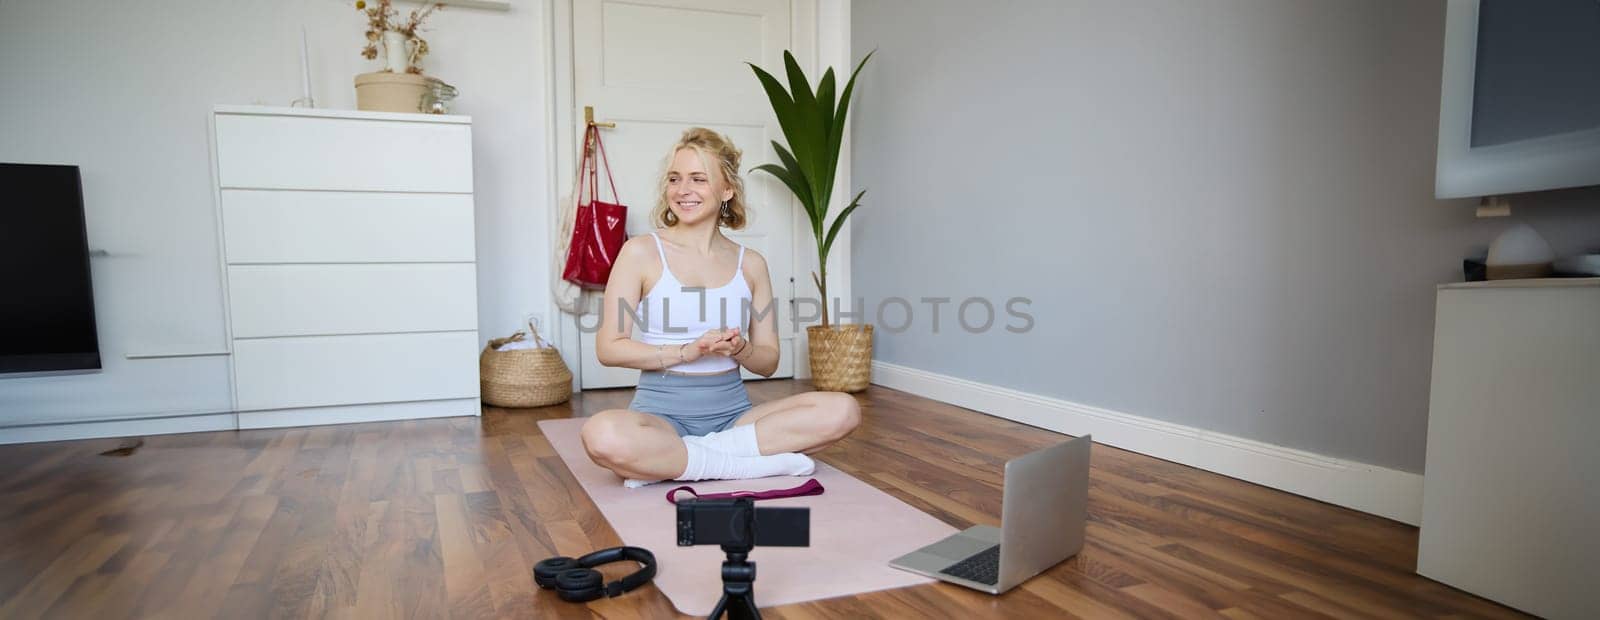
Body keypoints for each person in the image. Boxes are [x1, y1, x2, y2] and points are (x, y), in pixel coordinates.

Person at [580, 127, 861, 486]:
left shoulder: (751, 263)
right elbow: (609, 347)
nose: (683, 190)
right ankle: (740, 464)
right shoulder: (640, 252)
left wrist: (740, 348)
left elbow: (768, 360)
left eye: (698, 179)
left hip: (734, 418)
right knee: (602, 435)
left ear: (727, 188)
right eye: (674, 179)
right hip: (661, 418)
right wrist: (687, 351)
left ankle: (686, 460)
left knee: (843, 410)